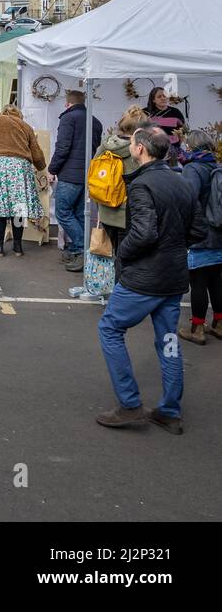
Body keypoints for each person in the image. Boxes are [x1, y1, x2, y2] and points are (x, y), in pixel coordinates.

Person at [96, 126, 204, 433]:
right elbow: (198, 230)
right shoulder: (181, 180)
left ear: (140, 149)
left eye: (131, 142)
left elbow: (144, 233)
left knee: (110, 328)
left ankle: (130, 404)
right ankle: (170, 410)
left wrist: (123, 256)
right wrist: (173, 245)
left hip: (145, 276)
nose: (129, 145)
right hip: (173, 275)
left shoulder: (143, 185)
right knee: (168, 340)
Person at [0, 104, 46, 257]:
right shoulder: (25, 126)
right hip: (20, 167)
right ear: (18, 115)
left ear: (3, 112)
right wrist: (41, 166)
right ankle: (18, 246)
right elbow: (36, 150)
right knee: (19, 208)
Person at [49, 89, 103, 273]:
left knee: (63, 212)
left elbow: (62, 147)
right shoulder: (95, 121)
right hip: (87, 175)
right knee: (81, 214)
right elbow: (95, 147)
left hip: (69, 175)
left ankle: (81, 248)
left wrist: (52, 169)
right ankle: (77, 250)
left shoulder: (68, 119)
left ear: (67, 103)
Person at [177, 130, 222, 346]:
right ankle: (219, 324)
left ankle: (197, 328)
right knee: (216, 280)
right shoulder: (216, 166)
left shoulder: (192, 168)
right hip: (219, 233)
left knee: (198, 282)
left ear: (192, 146)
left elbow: (188, 200)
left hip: (200, 235)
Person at [92, 106, 147, 255]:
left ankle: (114, 278)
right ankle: (120, 278)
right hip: (127, 213)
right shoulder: (139, 149)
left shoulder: (106, 144)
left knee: (114, 252)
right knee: (126, 256)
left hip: (105, 208)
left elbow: (94, 170)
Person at [145, 86, 186, 161]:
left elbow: (183, 131)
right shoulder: (146, 113)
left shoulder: (176, 112)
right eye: (159, 96)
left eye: (164, 96)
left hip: (173, 150)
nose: (163, 98)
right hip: (152, 150)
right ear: (153, 100)